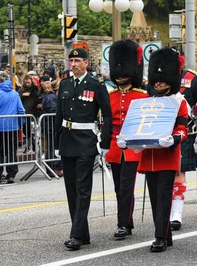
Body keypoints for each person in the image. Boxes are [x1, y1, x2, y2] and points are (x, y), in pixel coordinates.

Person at [131, 48, 189, 252]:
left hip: (167, 154)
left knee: (164, 195)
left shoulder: (179, 102)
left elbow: (183, 128)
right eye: (156, 80)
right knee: (155, 196)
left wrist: (174, 138)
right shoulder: (146, 101)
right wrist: (128, 140)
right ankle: (166, 234)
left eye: (162, 80)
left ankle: (159, 237)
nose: (158, 83)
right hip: (150, 156)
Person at [54, 48, 112, 250]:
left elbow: (107, 115)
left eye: (78, 60)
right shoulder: (65, 84)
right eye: (71, 61)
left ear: (86, 63)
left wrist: (105, 143)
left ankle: (76, 235)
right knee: (71, 190)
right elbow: (59, 116)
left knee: (83, 189)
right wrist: (56, 143)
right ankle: (83, 233)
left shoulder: (96, 85)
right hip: (68, 141)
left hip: (86, 142)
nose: (74, 64)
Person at [106, 40, 149, 241]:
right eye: (119, 73)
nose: (121, 76)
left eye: (125, 72)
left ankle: (122, 224)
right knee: (118, 186)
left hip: (133, 146)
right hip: (115, 146)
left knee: (126, 186)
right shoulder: (110, 95)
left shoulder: (141, 95)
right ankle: (128, 221)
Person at [169, 60, 197, 231]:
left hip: (184, 131)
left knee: (178, 170)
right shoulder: (158, 80)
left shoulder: (193, 78)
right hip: (162, 131)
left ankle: (176, 213)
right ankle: (165, 210)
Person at [0, 71, 25, 184]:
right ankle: (11, 174)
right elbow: (21, 110)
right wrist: (21, 124)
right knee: (12, 151)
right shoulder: (15, 93)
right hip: (13, 126)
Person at [18, 74, 41, 153]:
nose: (27, 81)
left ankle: (31, 146)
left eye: (29, 79)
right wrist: (23, 96)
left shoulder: (35, 89)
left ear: (31, 81)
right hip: (24, 114)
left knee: (31, 131)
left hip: (32, 114)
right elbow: (18, 99)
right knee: (25, 131)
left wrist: (30, 94)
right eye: (26, 79)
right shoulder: (21, 90)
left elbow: (38, 98)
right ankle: (30, 146)